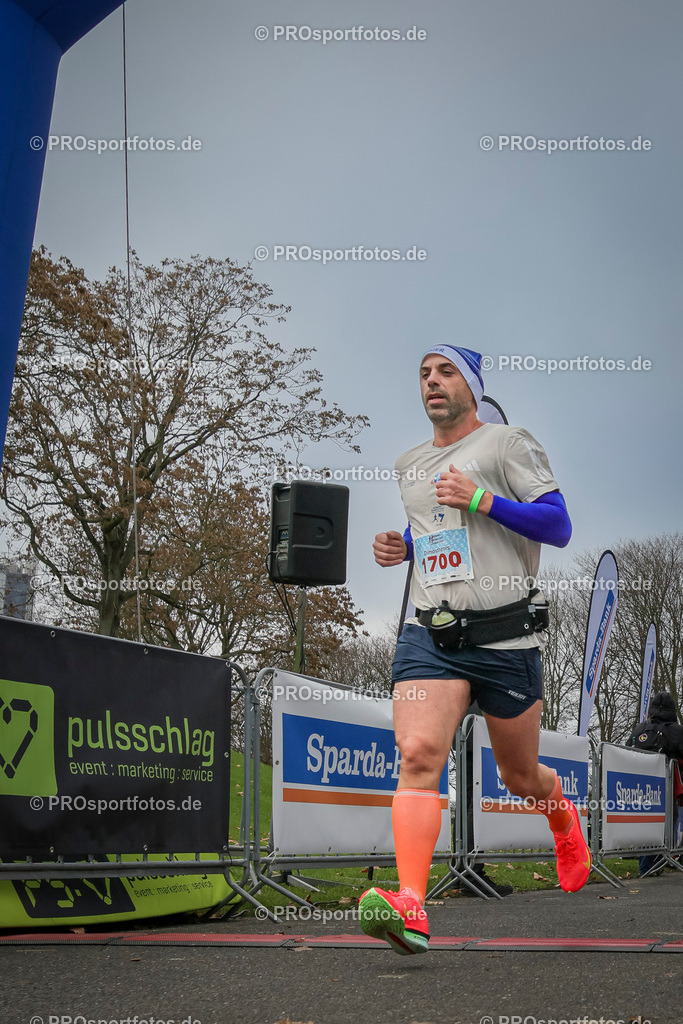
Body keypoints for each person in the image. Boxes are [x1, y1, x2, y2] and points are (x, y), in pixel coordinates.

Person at [358, 344, 591, 956]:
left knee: (519, 777)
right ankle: (411, 906)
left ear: (473, 386)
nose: (432, 382)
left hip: (506, 636)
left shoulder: (507, 444)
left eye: (446, 372)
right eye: (424, 375)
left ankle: (562, 815)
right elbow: (439, 530)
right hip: (431, 633)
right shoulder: (409, 463)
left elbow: (558, 526)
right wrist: (404, 547)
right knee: (419, 754)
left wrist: (483, 498)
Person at [627, 691, 683, 875]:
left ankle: (649, 866)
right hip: (665, 788)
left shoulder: (640, 728)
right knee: (667, 823)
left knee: (648, 822)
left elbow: (625, 750)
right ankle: (654, 865)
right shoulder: (676, 730)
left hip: (639, 787)